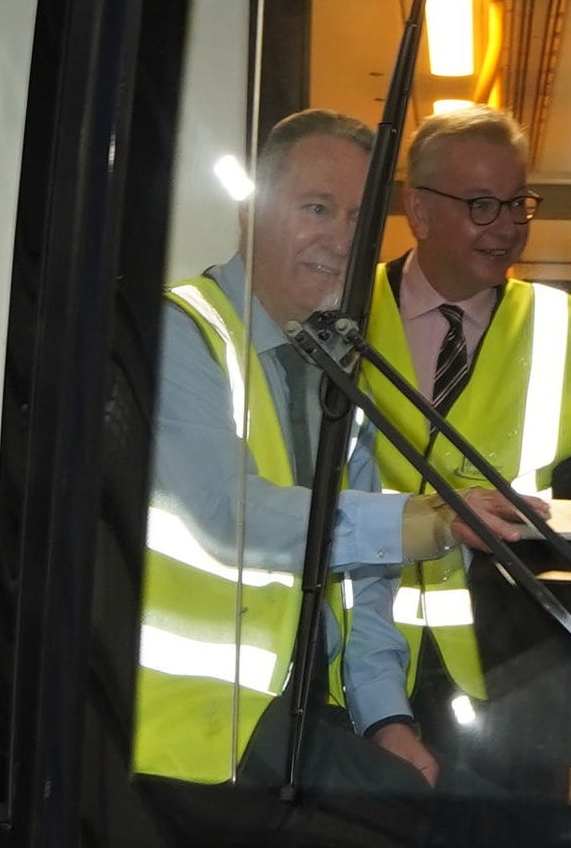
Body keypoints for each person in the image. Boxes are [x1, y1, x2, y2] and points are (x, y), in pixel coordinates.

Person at [136, 109, 539, 790]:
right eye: (316, 209)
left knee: (485, 823)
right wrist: (429, 523)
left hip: (298, 719)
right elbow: (229, 513)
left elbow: (365, 583)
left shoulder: (334, 364)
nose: (341, 240)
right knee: (467, 844)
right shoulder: (180, 333)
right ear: (249, 213)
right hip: (192, 737)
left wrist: (388, 722)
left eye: (359, 219)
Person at [360, 104, 571, 724]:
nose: (506, 227)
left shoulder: (568, 332)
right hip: (350, 667)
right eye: (480, 205)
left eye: (518, 202)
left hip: (518, 677)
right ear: (418, 211)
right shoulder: (339, 319)